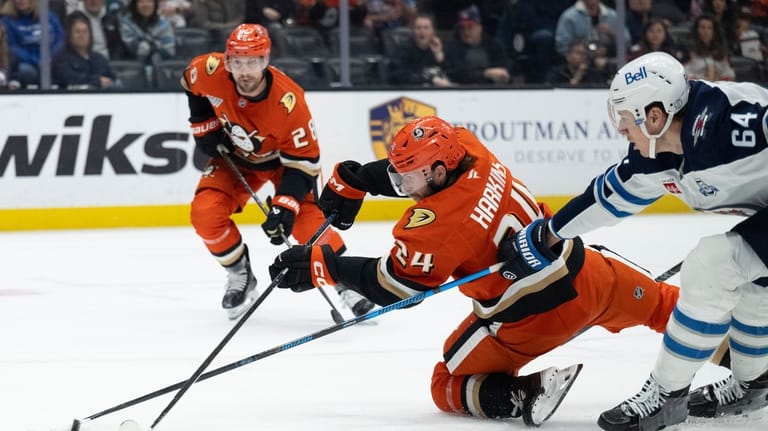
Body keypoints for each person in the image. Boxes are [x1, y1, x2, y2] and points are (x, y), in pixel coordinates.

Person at [267, 115, 688, 426]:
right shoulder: (466, 146)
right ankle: (751, 362)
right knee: (673, 310)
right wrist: (360, 180)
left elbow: (395, 286)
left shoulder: (435, 226)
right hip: (590, 275)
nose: (401, 186)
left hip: (527, 322)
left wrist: (326, 265)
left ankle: (522, 396)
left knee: (445, 382)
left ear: (436, 170)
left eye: (408, 177)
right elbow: (423, 177)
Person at [500, 51, 768, 430]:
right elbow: (608, 196)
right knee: (756, 286)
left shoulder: (727, 123)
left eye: (626, 121)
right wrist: (549, 233)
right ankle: (754, 385)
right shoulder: (656, 154)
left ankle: (666, 396)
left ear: (654, 116)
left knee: (714, 266)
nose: (622, 130)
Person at [181, 23, 374, 319]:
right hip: (236, 159)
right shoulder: (209, 69)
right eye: (237, 62)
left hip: (287, 166)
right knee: (205, 213)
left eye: (253, 62)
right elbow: (189, 84)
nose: (244, 71)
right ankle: (240, 274)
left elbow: (305, 163)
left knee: (307, 226)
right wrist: (203, 125)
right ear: (227, 60)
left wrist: (285, 206)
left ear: (266, 61)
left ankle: (345, 280)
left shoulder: (289, 102)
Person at [0, 0, 65, 88]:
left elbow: (61, 40)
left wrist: (50, 58)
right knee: (25, 71)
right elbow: (12, 47)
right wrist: (36, 60)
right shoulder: (7, 21)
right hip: (28, 63)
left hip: (53, 61)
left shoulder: (50, 17)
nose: (21, 0)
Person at [444, 5, 511, 85]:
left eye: (470, 27)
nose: (466, 32)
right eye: (462, 28)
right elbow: (456, 73)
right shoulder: (452, 48)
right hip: (462, 92)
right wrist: (486, 73)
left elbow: (503, 71)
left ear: (480, 28)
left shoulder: (494, 45)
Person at [52, 11, 117, 89]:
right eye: (77, 32)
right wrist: (97, 81)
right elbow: (68, 78)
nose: (81, 36)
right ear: (69, 35)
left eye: (85, 32)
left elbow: (112, 80)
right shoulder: (61, 59)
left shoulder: (99, 59)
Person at [387, 12, 452, 87]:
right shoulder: (403, 49)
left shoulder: (442, 48)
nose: (422, 31)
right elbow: (399, 75)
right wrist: (430, 80)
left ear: (433, 31)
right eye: (418, 28)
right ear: (413, 30)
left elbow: (452, 75)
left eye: (426, 28)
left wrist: (439, 55)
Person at [685, 13, 735, 81]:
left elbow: (729, 73)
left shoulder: (721, 51)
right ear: (696, 30)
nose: (706, 31)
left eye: (709, 28)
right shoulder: (688, 51)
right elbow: (684, 73)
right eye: (702, 27)